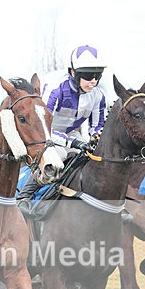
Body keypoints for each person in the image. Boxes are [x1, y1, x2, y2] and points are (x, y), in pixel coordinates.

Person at [16, 44, 107, 213]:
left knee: (92, 156)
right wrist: (73, 142)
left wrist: (96, 139)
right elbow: (42, 125)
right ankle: (24, 196)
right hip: (44, 134)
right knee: (59, 155)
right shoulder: (57, 89)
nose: (93, 81)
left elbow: (97, 126)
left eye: (97, 75)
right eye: (87, 75)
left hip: (69, 134)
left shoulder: (99, 95)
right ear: (73, 73)